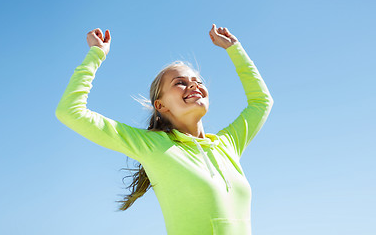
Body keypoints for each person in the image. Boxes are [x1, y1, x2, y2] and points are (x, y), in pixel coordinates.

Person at [55, 24, 274, 235]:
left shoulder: (227, 144)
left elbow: (262, 102)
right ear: (160, 105)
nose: (194, 85)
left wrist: (234, 49)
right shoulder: (152, 145)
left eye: (198, 81)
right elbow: (70, 111)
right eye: (180, 82)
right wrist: (96, 54)